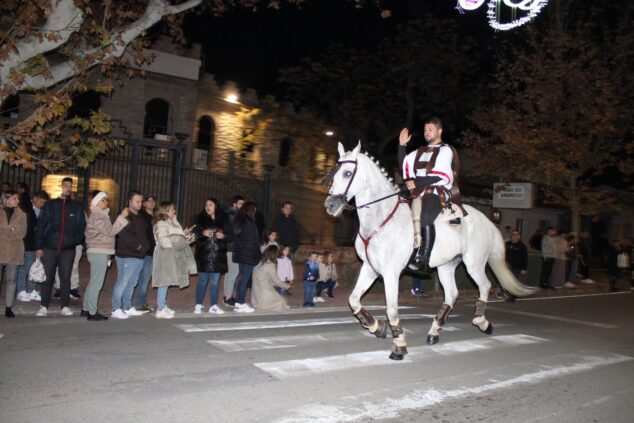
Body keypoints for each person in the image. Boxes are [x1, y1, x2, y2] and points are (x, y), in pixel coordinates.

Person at [398, 117, 460, 271]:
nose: (427, 133)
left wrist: (415, 183)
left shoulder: (446, 150)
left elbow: (440, 175)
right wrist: (401, 146)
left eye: (430, 129)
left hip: (436, 191)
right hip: (418, 191)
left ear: (439, 131)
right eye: (425, 130)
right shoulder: (419, 151)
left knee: (425, 216)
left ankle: (424, 258)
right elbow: (404, 165)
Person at [34, 177, 86, 317]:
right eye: (65, 185)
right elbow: (40, 226)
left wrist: (74, 241)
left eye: (69, 186)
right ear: (61, 187)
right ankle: (44, 306)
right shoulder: (50, 205)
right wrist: (39, 247)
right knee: (48, 277)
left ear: (72, 188)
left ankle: (64, 305)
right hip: (49, 247)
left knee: (65, 277)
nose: (67, 188)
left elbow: (81, 227)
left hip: (68, 249)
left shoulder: (77, 207)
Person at [83, 192, 129, 321]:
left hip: (99, 251)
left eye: (106, 200)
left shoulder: (101, 215)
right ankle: (92, 312)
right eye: (103, 200)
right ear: (96, 202)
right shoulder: (97, 216)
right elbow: (110, 231)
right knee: (97, 283)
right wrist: (121, 217)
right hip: (98, 251)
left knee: (94, 281)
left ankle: (86, 308)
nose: (106, 202)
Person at [152, 201, 196, 319]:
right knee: (164, 281)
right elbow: (164, 240)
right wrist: (180, 242)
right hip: (165, 254)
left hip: (173, 254)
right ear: (166, 211)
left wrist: (185, 235)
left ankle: (164, 305)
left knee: (168, 280)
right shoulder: (161, 223)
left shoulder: (172, 222)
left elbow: (177, 237)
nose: (174, 211)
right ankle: (160, 309)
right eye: (172, 209)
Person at [111, 191, 150, 319]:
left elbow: (143, 234)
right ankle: (116, 308)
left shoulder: (139, 217)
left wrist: (144, 247)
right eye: (137, 201)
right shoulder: (126, 215)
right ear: (130, 202)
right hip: (127, 254)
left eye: (140, 202)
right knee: (123, 281)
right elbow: (124, 235)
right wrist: (138, 246)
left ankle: (127, 307)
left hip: (138, 255)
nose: (140, 204)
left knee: (132, 283)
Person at [193, 198, 230, 315]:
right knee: (203, 280)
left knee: (215, 282)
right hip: (205, 254)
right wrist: (202, 233)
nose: (207, 207)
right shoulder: (200, 218)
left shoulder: (224, 219)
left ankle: (213, 305)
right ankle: (198, 305)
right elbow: (195, 233)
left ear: (216, 206)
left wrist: (223, 236)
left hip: (218, 255)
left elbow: (231, 236)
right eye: (206, 205)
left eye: (210, 205)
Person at [16, 190, 48, 302]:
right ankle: (21, 290)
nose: (42, 204)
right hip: (28, 243)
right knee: (26, 267)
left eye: (44, 202)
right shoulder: (27, 208)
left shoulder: (41, 210)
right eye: (40, 202)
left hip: (35, 243)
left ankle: (31, 290)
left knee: (34, 267)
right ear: (34, 199)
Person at [0, 191, 27, 318]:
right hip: (1, 250)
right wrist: (9, 230)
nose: (18, 201)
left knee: (12, 280)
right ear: (6, 199)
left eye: (17, 198)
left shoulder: (21, 215)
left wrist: (5, 231)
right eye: (14, 198)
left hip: (14, 252)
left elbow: (21, 233)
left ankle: (8, 307)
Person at [231, 201, 260, 313]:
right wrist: (257, 254)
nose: (255, 212)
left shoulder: (240, 220)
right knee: (244, 280)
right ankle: (240, 303)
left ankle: (239, 302)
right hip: (248, 255)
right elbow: (251, 242)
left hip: (242, 255)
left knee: (241, 279)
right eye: (254, 210)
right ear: (250, 210)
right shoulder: (248, 222)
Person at [132, 194, 157, 312]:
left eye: (153, 201)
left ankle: (140, 302)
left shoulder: (157, 217)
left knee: (145, 278)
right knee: (141, 278)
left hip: (153, 252)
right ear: (144, 204)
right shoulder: (141, 216)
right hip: (144, 252)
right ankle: (139, 303)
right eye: (148, 201)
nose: (151, 203)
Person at [251, 245, 292, 312]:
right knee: (282, 302)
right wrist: (287, 286)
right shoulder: (270, 265)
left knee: (278, 297)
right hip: (264, 293)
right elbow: (277, 280)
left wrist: (273, 283)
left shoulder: (258, 262)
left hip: (256, 295)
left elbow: (263, 277)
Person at [223, 194, 244, 307]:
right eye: (240, 204)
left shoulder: (232, 215)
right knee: (233, 273)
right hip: (233, 247)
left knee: (229, 273)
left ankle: (227, 295)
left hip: (230, 247)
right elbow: (236, 233)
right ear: (234, 204)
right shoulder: (234, 216)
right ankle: (228, 297)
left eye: (243, 204)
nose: (242, 206)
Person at [503, 230, 528, 301]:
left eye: (517, 234)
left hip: (517, 267)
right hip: (507, 266)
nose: (515, 236)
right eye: (513, 234)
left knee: (513, 281)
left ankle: (512, 296)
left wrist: (524, 269)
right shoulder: (507, 244)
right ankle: (510, 294)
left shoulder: (522, 246)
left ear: (519, 236)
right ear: (511, 236)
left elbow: (525, 258)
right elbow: (503, 254)